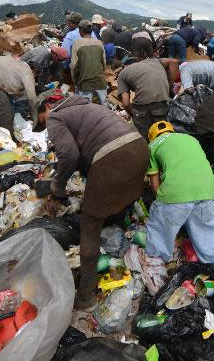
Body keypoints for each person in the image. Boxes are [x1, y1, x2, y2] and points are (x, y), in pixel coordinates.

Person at [33, 93, 148, 309]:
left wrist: (56, 185)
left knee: (89, 225)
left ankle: (86, 297)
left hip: (114, 156)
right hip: (139, 147)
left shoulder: (55, 117)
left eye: (41, 120)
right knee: (119, 195)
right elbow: (84, 151)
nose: (45, 125)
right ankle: (116, 232)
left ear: (47, 106)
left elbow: (70, 155)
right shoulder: (87, 107)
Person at [145, 121, 214, 273]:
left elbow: (155, 186)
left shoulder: (152, 146)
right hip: (208, 191)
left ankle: (155, 267)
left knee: (159, 227)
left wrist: (164, 207)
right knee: (209, 233)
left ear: (151, 137)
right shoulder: (191, 139)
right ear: (172, 131)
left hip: (176, 193)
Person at [117, 38, 170, 137]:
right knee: (162, 135)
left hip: (141, 108)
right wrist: (170, 89)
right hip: (162, 104)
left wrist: (134, 115)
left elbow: (125, 103)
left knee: (144, 139)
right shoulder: (157, 62)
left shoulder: (123, 73)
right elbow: (173, 61)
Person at [71, 20, 107, 104]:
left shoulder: (77, 44)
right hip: (100, 81)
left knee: (85, 109)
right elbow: (103, 63)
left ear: (81, 30)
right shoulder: (99, 43)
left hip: (84, 82)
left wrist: (75, 81)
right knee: (104, 108)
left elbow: (73, 65)